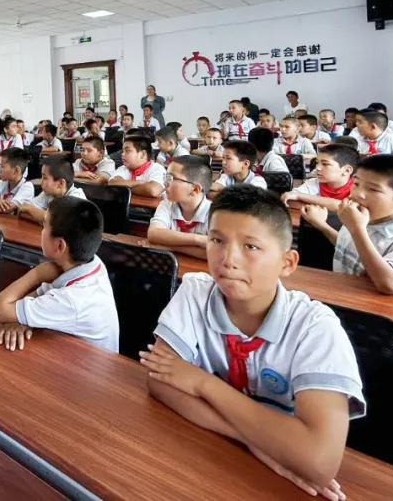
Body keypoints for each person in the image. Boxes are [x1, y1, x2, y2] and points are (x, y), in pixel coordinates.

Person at [141, 186, 364, 498]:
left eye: (250, 246)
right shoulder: (195, 293)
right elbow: (159, 380)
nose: (228, 259)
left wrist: (203, 383)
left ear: (287, 263)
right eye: (217, 240)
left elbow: (318, 462)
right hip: (212, 459)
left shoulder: (315, 328)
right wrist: (253, 440)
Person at [0, 195, 118, 352]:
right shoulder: (92, 263)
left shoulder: (71, 299)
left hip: (86, 365)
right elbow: (37, 297)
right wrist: (21, 318)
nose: (41, 231)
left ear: (60, 246)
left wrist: (36, 274)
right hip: (70, 351)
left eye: (44, 225)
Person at [301, 155, 393, 296]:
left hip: (384, 308)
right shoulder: (359, 220)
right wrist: (321, 225)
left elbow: (390, 284)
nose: (358, 194)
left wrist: (357, 229)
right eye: (356, 184)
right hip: (347, 296)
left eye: (373, 189)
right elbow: (348, 245)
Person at [144, 155, 212, 259]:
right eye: (166, 177)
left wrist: (171, 247)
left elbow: (215, 252)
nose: (165, 183)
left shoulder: (215, 214)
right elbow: (153, 234)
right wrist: (198, 240)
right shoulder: (167, 204)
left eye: (171, 178)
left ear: (195, 189)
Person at [282, 144, 358, 212]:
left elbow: (345, 208)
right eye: (317, 162)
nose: (317, 168)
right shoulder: (313, 183)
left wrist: (300, 196)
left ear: (347, 170)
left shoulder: (358, 188)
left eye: (325, 164)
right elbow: (289, 200)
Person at [18, 156, 86, 225]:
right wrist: (46, 218)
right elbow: (23, 211)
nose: (41, 181)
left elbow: (62, 223)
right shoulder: (48, 193)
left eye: (45, 178)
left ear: (60, 183)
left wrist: (31, 209)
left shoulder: (76, 198)